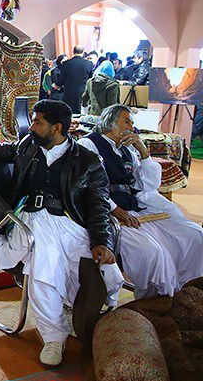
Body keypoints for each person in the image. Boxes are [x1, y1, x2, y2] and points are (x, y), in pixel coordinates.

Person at [0, 100, 123, 367]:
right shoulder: (28, 146)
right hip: (30, 220)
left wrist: (102, 242)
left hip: (70, 225)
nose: (31, 127)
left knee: (103, 269)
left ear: (57, 128)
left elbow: (98, 207)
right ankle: (54, 336)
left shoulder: (89, 161)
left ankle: (76, 312)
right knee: (44, 262)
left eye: (38, 122)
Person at [78, 105, 203, 295]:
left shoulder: (127, 150)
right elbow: (88, 186)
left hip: (135, 207)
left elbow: (150, 183)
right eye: (126, 121)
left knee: (194, 235)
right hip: (108, 211)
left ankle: (188, 289)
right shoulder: (89, 144)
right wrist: (115, 209)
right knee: (154, 252)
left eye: (132, 122)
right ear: (109, 122)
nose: (132, 126)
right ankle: (157, 298)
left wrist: (143, 150)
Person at [54, 46, 93, 113]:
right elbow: (90, 79)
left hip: (69, 94)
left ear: (73, 52)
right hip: (83, 93)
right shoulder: (89, 64)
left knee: (69, 113)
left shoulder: (66, 63)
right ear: (83, 52)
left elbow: (61, 80)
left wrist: (56, 85)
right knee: (82, 113)